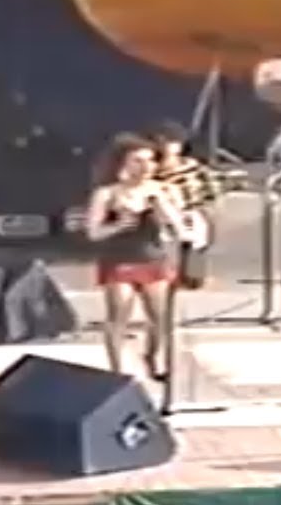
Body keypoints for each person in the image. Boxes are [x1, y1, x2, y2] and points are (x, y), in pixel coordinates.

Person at [86, 133, 194, 379]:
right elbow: (94, 232)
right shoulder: (108, 194)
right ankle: (116, 371)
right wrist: (118, 225)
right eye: (137, 160)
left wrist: (165, 212)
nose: (145, 167)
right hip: (120, 260)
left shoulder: (162, 191)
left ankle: (152, 357)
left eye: (150, 161)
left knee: (159, 318)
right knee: (118, 317)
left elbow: (178, 228)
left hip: (153, 259)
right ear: (123, 163)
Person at [152, 122, 216, 288]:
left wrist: (207, 201)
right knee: (166, 241)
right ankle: (166, 274)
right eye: (164, 143)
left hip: (191, 208)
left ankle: (193, 276)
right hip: (163, 212)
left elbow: (206, 185)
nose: (169, 147)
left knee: (198, 238)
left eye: (173, 143)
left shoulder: (191, 165)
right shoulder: (152, 168)